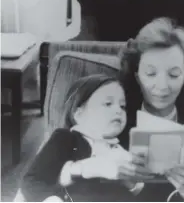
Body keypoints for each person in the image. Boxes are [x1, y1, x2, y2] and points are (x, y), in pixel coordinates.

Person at [21, 74, 154, 202]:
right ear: (79, 114)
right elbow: (32, 182)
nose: (118, 110)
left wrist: (132, 184)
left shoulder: (124, 148)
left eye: (122, 106)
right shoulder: (66, 139)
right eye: (108, 103)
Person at [119, 17, 184, 201]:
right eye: (151, 74)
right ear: (137, 76)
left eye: (174, 75)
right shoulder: (116, 119)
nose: (162, 86)